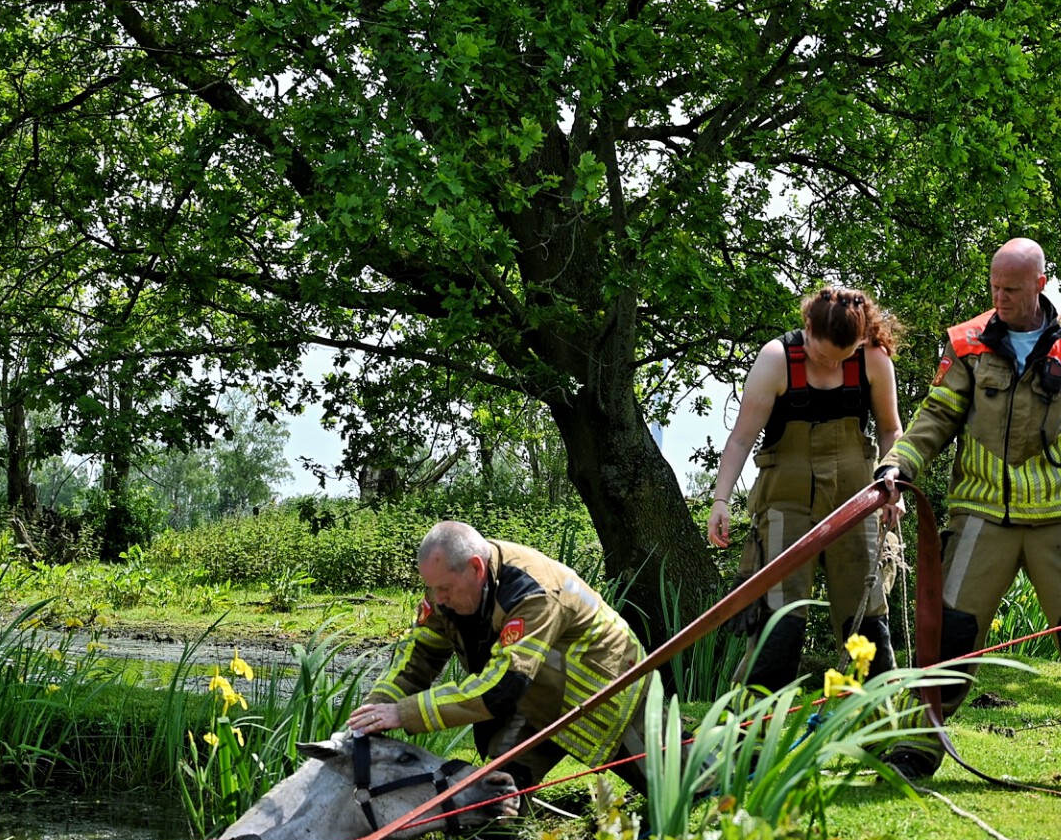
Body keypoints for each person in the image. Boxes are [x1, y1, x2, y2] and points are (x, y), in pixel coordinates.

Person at [872, 237, 1061, 796]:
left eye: (1013, 289)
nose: (1001, 298)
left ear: (1041, 283)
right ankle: (915, 749)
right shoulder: (967, 344)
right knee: (947, 636)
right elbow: (934, 419)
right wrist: (897, 466)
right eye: (995, 287)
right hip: (980, 515)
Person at [348, 521, 651, 798]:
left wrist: (404, 713)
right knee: (496, 793)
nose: (437, 599)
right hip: (535, 702)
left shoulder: (533, 593)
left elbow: (503, 686)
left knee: (682, 787)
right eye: (431, 588)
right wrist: (374, 710)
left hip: (606, 693)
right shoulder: (451, 583)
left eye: (444, 588)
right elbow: (418, 657)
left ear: (477, 568)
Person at [707, 287, 905, 692]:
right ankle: (751, 728)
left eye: (842, 355)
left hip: (856, 506)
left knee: (866, 618)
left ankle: (876, 724)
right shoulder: (776, 360)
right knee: (779, 620)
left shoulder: (874, 359)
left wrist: (893, 481)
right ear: (807, 327)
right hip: (785, 506)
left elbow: (890, 429)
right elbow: (742, 438)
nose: (832, 363)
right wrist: (720, 500)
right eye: (822, 353)